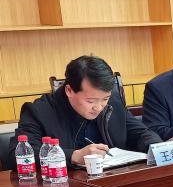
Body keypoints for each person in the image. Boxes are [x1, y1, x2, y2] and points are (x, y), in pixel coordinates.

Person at [9, 55, 161, 169]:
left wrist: (158, 147)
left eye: (104, 99)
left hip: (113, 180)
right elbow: (17, 155)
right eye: (90, 101)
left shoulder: (113, 102)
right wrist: (74, 156)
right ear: (69, 90)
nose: (99, 107)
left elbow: (141, 133)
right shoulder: (39, 111)